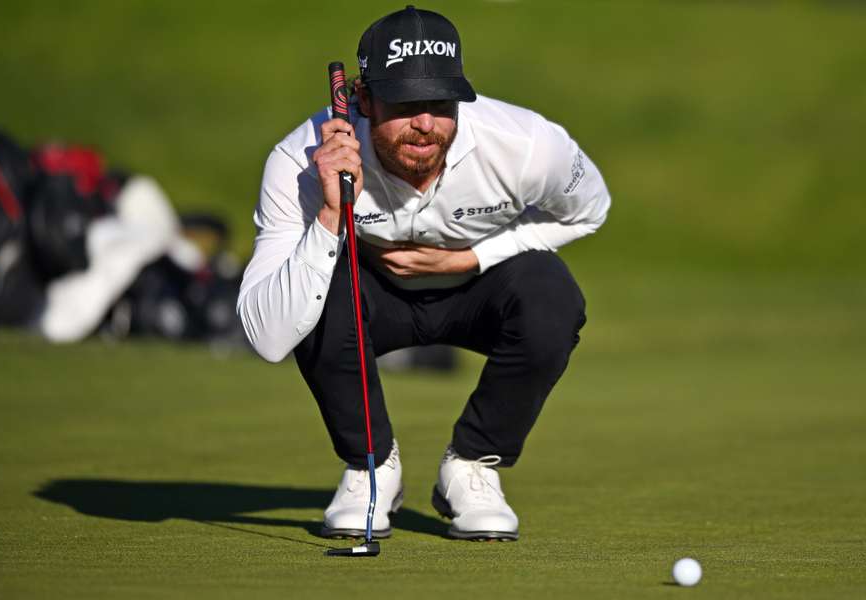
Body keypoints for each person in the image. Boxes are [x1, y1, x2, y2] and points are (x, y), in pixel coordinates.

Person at [237, 5, 610, 541]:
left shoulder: (527, 145)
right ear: (363, 100)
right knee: (315, 287)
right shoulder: (299, 159)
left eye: (440, 102)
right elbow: (269, 337)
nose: (426, 124)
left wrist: (474, 257)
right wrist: (327, 215)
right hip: (369, 298)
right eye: (406, 103)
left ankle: (472, 466)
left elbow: (589, 210)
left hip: (479, 291)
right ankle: (371, 469)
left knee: (552, 296)